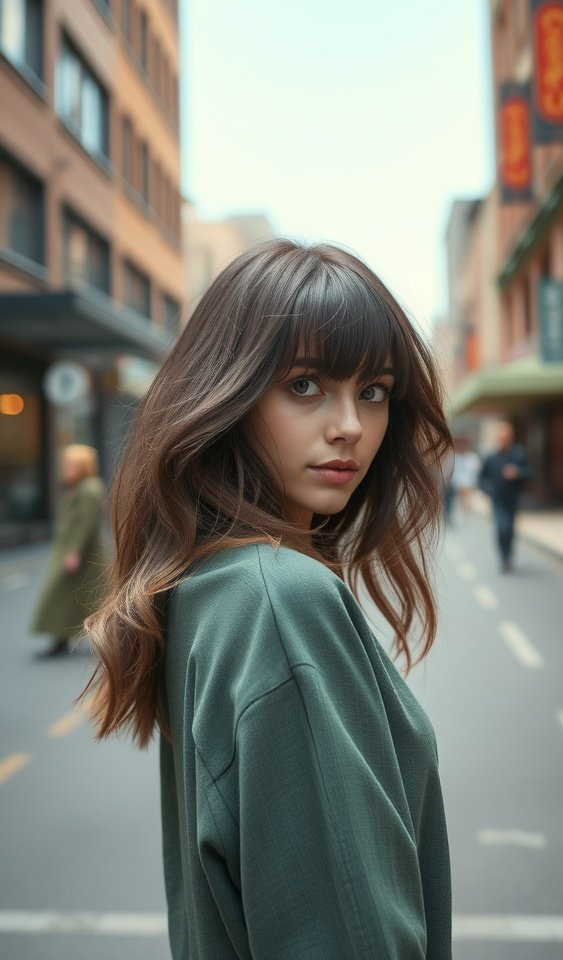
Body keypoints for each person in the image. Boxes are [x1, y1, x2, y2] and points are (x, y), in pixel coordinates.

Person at [82, 240, 453, 959]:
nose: (350, 424)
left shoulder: (208, 583)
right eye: (306, 385)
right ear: (229, 393)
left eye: (373, 391)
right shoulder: (279, 601)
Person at [31, 443, 106, 657]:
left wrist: (74, 552)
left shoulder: (89, 489)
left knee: (78, 596)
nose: (65, 469)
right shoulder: (80, 488)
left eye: (70, 465)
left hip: (80, 553)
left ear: (83, 466)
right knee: (69, 596)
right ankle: (60, 638)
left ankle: (66, 638)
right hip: (70, 550)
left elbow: (85, 524)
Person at [478, 421, 529, 572]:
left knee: (510, 529)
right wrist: (488, 489)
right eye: (501, 438)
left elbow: (530, 472)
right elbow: (481, 479)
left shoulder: (519, 454)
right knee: (502, 527)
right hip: (497, 499)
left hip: (512, 499)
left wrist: (517, 473)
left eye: (506, 438)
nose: (503, 441)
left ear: (511, 438)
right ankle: (503, 557)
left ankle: (508, 556)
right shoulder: (491, 457)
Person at [451, 436, 480, 517]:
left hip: (468, 485)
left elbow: (475, 472)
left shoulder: (472, 457)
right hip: (457, 485)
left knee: (466, 504)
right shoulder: (454, 457)